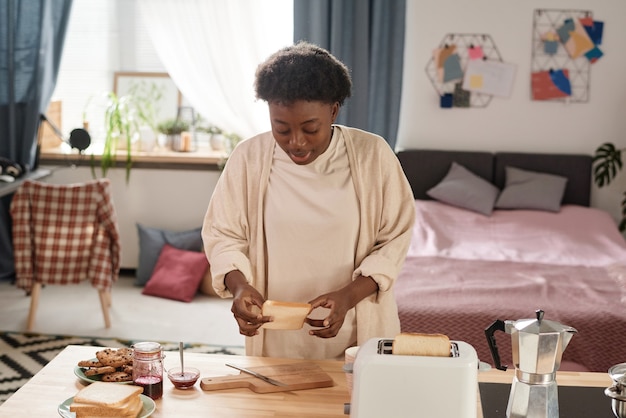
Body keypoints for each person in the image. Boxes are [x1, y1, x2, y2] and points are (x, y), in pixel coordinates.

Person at [201, 41, 415, 360]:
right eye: (281, 128)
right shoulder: (248, 158)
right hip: (275, 335)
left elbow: (394, 239)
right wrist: (240, 286)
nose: (296, 142)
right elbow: (223, 234)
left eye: (310, 128)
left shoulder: (374, 155)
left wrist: (348, 297)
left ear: (333, 110)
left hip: (357, 326)